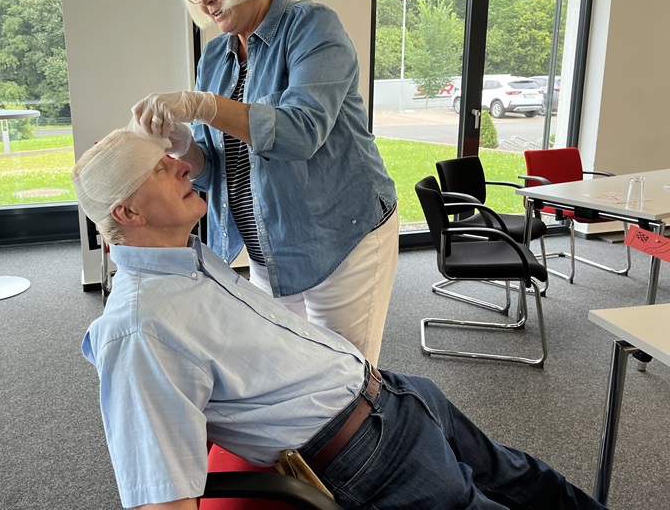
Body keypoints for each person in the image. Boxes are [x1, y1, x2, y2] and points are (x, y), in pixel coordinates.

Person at [73, 128, 605, 510]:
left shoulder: (191, 262)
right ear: (128, 213)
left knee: (525, 477)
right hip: (368, 454)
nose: (184, 166)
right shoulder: (138, 330)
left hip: (396, 396)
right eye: (161, 169)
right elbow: (161, 498)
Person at [130, 0, 398, 366]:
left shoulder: (313, 27)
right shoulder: (215, 55)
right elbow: (214, 167)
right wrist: (181, 141)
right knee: (281, 371)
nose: (206, 0)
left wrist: (203, 106)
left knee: (345, 379)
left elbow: (300, 132)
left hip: (339, 234)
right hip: (269, 244)